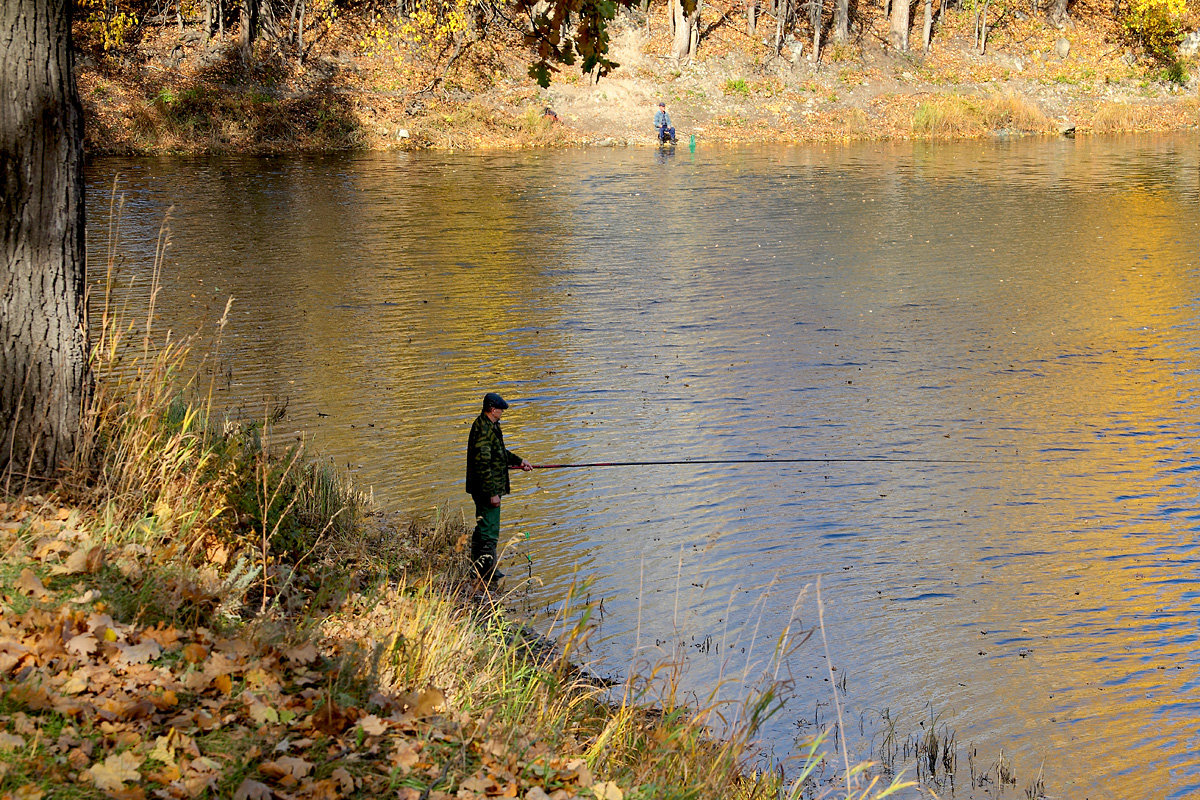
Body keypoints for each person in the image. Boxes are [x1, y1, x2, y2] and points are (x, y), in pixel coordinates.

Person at [465, 392, 532, 584]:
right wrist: (492, 494)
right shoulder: (483, 431)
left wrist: (519, 461)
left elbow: (500, 453)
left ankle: (477, 568)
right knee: (489, 530)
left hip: (486, 488)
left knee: (483, 527)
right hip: (486, 490)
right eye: (500, 409)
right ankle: (487, 575)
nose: (502, 412)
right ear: (492, 410)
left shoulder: (490, 426)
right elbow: (483, 465)